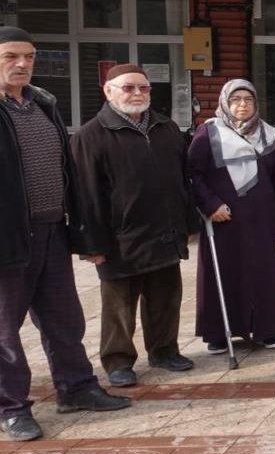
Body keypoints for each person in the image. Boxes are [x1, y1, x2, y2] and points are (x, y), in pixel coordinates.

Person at [0, 27, 130, 442]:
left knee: (64, 318)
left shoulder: (42, 104)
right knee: (4, 331)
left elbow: (66, 170)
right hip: (7, 238)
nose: (22, 64)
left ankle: (76, 388)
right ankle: (11, 407)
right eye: (10, 57)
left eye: (30, 56)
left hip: (52, 230)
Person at [71, 63, 200, 387]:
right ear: (108, 91)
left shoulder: (165, 128)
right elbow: (85, 195)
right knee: (119, 307)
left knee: (166, 299)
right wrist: (92, 244)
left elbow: (182, 180)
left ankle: (164, 351)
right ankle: (118, 362)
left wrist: (188, 222)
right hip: (120, 239)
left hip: (165, 232)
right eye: (128, 88)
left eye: (143, 88)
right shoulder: (91, 135)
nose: (138, 94)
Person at [188, 79, 275, 351]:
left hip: (261, 218)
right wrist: (211, 205)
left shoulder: (268, 135)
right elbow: (193, 174)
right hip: (224, 219)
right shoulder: (208, 133)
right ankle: (219, 333)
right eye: (236, 100)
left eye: (248, 99)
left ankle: (267, 330)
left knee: (264, 273)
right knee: (223, 272)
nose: (242, 105)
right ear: (225, 102)